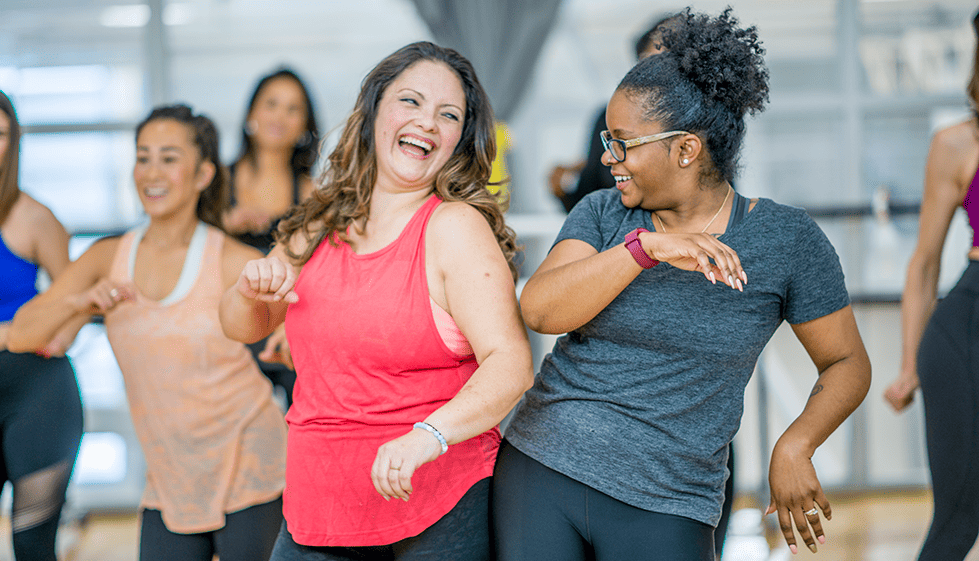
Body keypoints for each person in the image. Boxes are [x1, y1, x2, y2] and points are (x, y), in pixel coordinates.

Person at [493, 8, 872, 561]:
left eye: (623, 142)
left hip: (672, 498)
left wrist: (796, 443)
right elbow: (541, 309)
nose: (607, 158)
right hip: (544, 466)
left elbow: (847, 363)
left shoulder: (786, 240)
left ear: (686, 149)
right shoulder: (605, 214)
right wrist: (643, 250)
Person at [219, 41, 534, 561]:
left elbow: (511, 363)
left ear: (459, 139)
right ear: (373, 113)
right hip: (317, 504)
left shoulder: (454, 227)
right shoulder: (322, 220)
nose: (427, 122)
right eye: (410, 102)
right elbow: (241, 326)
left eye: (447, 114)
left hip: (436, 502)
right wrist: (248, 290)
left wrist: (429, 436)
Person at [8, 105, 287, 561]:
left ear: (202, 175)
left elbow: (300, 327)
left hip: (252, 463)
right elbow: (22, 335)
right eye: (143, 157)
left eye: (169, 158)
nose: (151, 171)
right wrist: (80, 302)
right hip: (169, 480)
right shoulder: (106, 257)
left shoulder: (231, 260)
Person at [884, 10, 979, 560]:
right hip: (967, 334)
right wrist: (907, 366)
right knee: (958, 519)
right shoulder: (957, 143)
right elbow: (923, 264)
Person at [0, 83, 83, 561]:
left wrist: (61, 332)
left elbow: (76, 298)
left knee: (33, 545)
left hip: (38, 394)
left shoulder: (34, 217)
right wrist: (20, 331)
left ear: (13, 143)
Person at [226, 67, 321, 408]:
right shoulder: (216, 184)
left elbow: (321, 270)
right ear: (252, 113)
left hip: (289, 330)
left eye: (293, 108)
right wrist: (224, 224)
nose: (280, 116)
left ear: (304, 126)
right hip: (228, 328)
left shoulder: (312, 192)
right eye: (272, 104)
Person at [548, 13, 680, 213]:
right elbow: (589, 195)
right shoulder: (608, 119)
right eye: (647, 64)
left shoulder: (708, 124)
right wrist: (562, 191)